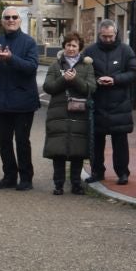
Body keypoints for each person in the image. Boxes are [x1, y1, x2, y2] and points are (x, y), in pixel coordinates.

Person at [0, 7, 41, 190]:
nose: (11, 20)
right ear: (2, 21)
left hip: (24, 101)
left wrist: (11, 58)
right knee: (4, 141)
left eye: (14, 17)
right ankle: (9, 176)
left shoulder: (29, 42)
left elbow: (31, 67)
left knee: (21, 141)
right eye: (7, 17)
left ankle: (26, 178)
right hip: (2, 100)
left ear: (20, 21)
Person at [86, 19, 136, 186]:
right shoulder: (90, 51)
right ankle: (97, 171)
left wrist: (115, 79)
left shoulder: (125, 50)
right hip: (97, 102)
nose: (108, 39)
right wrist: (96, 80)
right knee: (96, 142)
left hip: (120, 104)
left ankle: (123, 173)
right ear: (99, 34)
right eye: (104, 36)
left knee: (120, 143)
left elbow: (133, 72)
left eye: (110, 36)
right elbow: (84, 73)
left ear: (116, 34)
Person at [43, 32, 96, 195]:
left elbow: (91, 88)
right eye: (68, 45)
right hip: (58, 112)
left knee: (77, 151)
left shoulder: (87, 66)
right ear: (64, 47)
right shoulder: (55, 65)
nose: (71, 48)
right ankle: (58, 184)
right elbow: (48, 87)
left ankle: (76, 184)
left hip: (78, 113)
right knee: (57, 151)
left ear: (79, 47)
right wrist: (63, 79)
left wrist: (75, 80)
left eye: (74, 45)